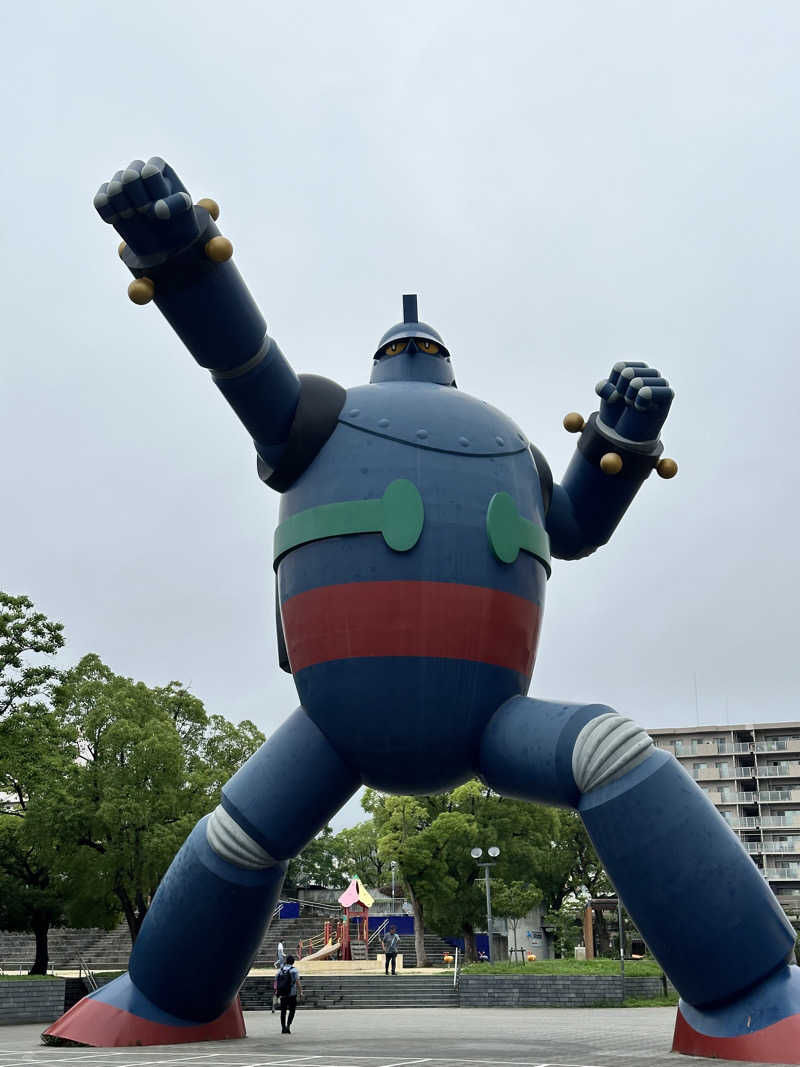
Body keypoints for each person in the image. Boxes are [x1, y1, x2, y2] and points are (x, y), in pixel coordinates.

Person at [276, 954, 302, 1034]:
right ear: (293, 962)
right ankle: (288, 1026)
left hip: (283, 994)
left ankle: (283, 1028)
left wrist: (277, 992)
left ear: (286, 961)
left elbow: (276, 981)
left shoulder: (280, 970)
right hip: (292, 994)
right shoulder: (294, 970)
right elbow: (297, 982)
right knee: (292, 1011)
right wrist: (300, 992)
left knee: (283, 1011)